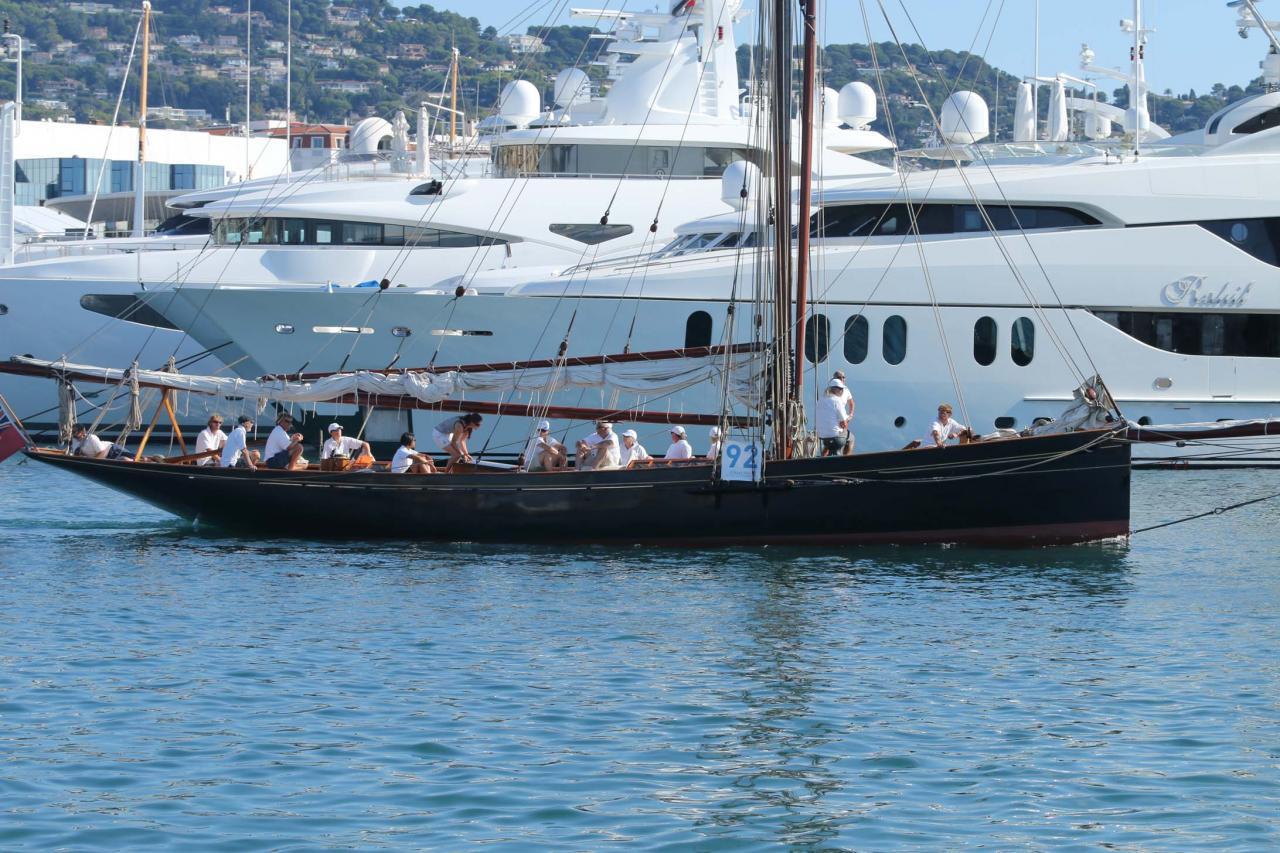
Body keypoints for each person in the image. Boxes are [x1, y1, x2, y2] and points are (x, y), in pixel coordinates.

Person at [816, 380, 850, 456]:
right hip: (836, 437)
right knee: (851, 438)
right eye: (841, 389)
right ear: (837, 390)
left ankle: (826, 457)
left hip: (822, 436)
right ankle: (847, 459)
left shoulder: (820, 400)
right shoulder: (837, 401)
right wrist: (845, 422)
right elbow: (844, 423)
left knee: (830, 444)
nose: (842, 391)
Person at [831, 371, 855, 455]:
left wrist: (851, 414)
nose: (842, 379)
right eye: (839, 377)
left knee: (830, 444)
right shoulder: (833, 394)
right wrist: (844, 421)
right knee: (848, 438)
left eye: (843, 377)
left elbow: (851, 403)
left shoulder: (846, 390)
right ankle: (845, 461)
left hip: (838, 421)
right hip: (836, 423)